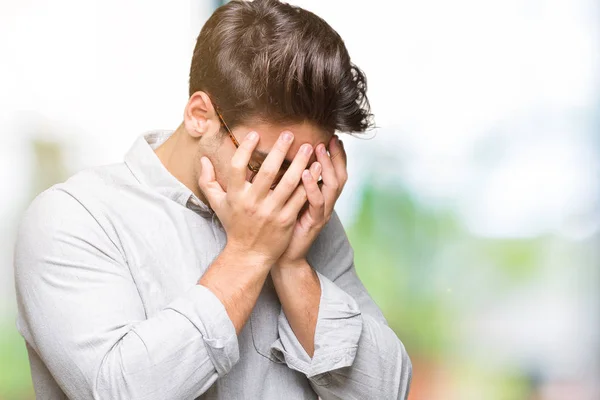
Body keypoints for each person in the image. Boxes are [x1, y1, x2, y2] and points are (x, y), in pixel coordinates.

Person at [13, 0, 412, 398]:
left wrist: (291, 265)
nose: (286, 191)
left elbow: (386, 392)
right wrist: (249, 255)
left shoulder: (304, 214)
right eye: (265, 165)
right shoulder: (74, 219)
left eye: (308, 168)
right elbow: (120, 391)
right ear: (200, 116)